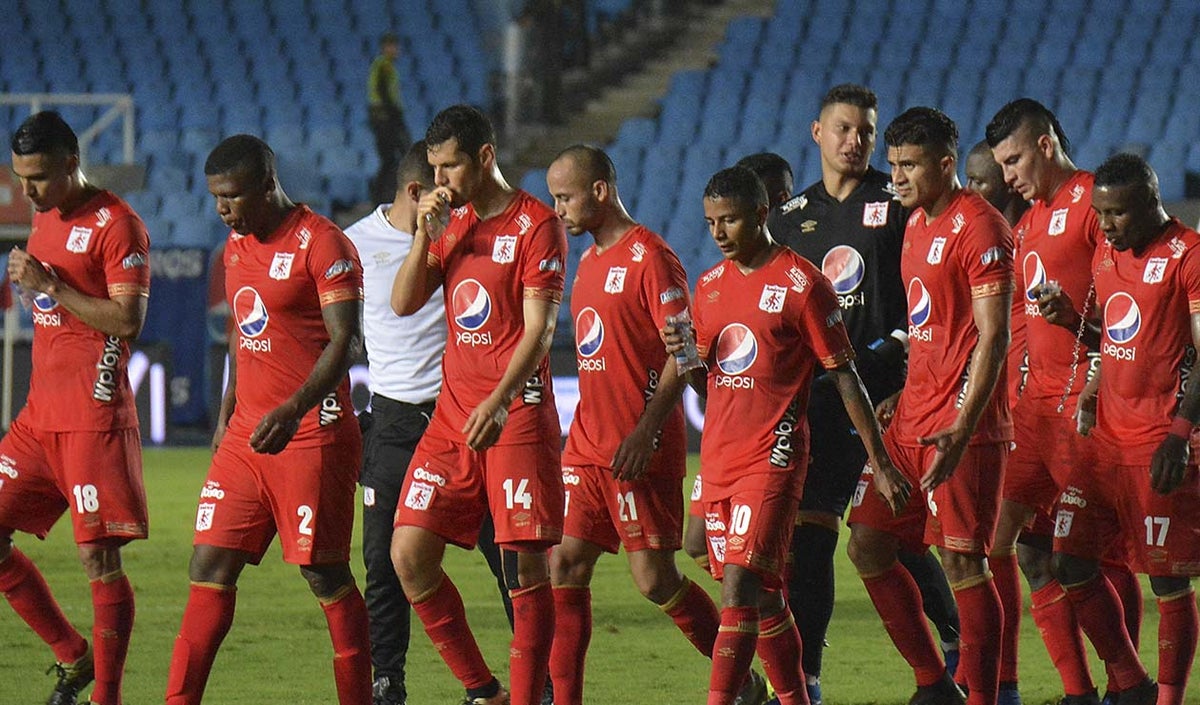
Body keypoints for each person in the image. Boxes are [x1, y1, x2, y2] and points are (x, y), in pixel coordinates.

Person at [675, 165, 908, 705]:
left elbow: (845, 375)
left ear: (761, 214)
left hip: (773, 457)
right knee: (755, 591)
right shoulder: (709, 287)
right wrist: (685, 359)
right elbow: (709, 386)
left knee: (740, 588)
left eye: (729, 220)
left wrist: (881, 462)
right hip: (720, 456)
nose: (718, 233)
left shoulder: (802, 284)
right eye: (710, 222)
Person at [765, 85, 961, 701]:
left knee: (892, 538)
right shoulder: (790, 219)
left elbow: (925, 296)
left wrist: (897, 359)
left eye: (866, 132)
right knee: (812, 536)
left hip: (890, 398)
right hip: (824, 401)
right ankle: (810, 677)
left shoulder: (898, 201)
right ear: (817, 133)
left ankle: (955, 642)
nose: (856, 141)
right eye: (844, 128)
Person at [165, 135, 371, 705]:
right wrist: (226, 411)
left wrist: (294, 407)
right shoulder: (236, 247)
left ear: (266, 185)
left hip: (312, 433)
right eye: (215, 198)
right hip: (247, 435)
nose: (222, 209)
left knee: (323, 573)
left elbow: (346, 341)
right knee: (208, 562)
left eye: (232, 196)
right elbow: (243, 331)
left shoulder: (323, 243)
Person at [544, 144, 745, 705]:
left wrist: (647, 429)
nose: (558, 210)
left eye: (565, 197)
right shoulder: (589, 260)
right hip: (587, 446)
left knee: (655, 579)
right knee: (565, 563)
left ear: (600, 191)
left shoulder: (651, 258)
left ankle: (744, 683)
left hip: (639, 446)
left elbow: (683, 352)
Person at [389, 104, 566, 705]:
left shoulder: (537, 225)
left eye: (450, 166)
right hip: (453, 418)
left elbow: (540, 329)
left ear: (486, 156)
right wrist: (423, 235)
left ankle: (529, 697)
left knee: (525, 571)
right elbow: (403, 303)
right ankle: (484, 691)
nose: (439, 180)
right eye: (434, 167)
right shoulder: (451, 223)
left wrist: (500, 399)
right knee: (409, 556)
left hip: (515, 414)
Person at [846, 107, 1013, 705]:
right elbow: (931, 326)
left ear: (946, 164)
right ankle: (933, 683)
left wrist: (963, 427)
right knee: (867, 542)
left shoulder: (982, 227)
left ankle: (985, 696)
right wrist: (906, 388)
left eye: (910, 165)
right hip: (912, 417)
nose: (896, 176)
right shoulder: (916, 223)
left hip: (961, 429)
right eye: (893, 164)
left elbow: (994, 337)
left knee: (964, 564)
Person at [345, 140, 520, 705]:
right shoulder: (356, 243)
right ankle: (388, 682)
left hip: (464, 420)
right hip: (394, 423)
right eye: (445, 183)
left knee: (508, 557)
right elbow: (337, 332)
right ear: (420, 190)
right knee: (385, 563)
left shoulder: (466, 234)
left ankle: (537, 682)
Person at [983, 99, 1141, 705]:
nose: (1008, 176)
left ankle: (1127, 683)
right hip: (1034, 410)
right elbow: (1022, 327)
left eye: (1014, 160)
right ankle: (1073, 690)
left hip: (1084, 401)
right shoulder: (1027, 224)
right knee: (1009, 544)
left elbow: (1125, 299)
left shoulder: (1094, 203)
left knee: (1097, 552)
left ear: (1045, 145)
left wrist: (1098, 379)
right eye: (1001, 165)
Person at [1, 111, 150, 705]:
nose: (28, 190)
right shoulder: (44, 217)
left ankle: (105, 697)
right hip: (38, 420)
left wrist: (51, 287)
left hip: (92, 419)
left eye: (38, 177)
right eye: (20, 177)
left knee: (97, 558)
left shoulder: (118, 225)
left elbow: (128, 320)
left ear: (71, 162)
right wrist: (39, 290)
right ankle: (72, 653)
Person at [1039, 153, 1194, 705]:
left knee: (1167, 578)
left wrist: (1180, 435)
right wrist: (1075, 325)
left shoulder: (1189, 255)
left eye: (1118, 214)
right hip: (1105, 442)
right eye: (1101, 214)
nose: (1105, 226)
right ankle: (1131, 684)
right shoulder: (1107, 251)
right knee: (1068, 559)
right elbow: (1119, 337)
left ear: (1152, 202)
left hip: (1158, 439)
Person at [965, 139, 1030, 432]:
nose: (968, 191)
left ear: (1008, 183)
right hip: (985, 397)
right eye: (967, 179)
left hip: (1032, 400)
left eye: (978, 181)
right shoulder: (972, 240)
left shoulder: (1037, 237)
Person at [368, 32, 411, 204]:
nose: (396, 50)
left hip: (387, 118)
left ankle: (383, 194)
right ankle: (379, 195)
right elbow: (383, 93)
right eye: (393, 46)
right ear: (385, 47)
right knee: (390, 159)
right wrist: (395, 114)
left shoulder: (387, 66)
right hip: (384, 118)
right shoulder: (383, 66)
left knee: (391, 159)